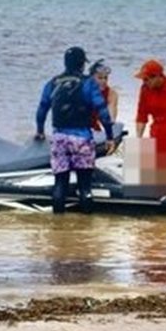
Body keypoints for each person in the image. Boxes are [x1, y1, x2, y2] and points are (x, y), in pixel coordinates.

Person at [34, 46, 115, 214]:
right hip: (82, 139)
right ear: (82, 65)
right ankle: (86, 227)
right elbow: (102, 111)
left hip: (60, 138)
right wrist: (109, 136)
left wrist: (40, 131)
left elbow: (42, 109)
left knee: (60, 184)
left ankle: (58, 226)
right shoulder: (88, 83)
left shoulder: (53, 82)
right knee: (85, 187)